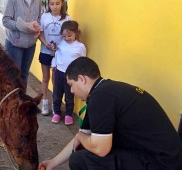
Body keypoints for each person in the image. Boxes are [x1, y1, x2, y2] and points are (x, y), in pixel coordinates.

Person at [39, 57, 182, 170]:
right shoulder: (104, 92)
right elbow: (83, 136)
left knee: (80, 159)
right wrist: (53, 162)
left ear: (82, 79)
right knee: (85, 146)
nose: (71, 91)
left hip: (161, 164)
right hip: (163, 158)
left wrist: (81, 137)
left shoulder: (101, 97)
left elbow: (100, 148)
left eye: (71, 85)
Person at [2, 0, 42, 88]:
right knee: (14, 77)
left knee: (24, 75)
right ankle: (12, 104)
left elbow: (39, 17)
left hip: (30, 45)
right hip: (15, 44)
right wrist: (23, 26)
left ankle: (22, 103)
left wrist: (38, 26)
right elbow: (5, 20)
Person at [38, 0, 71, 116]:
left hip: (59, 54)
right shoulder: (44, 16)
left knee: (56, 80)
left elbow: (70, 35)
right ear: (49, 4)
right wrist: (46, 43)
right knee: (45, 78)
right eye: (52, 4)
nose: (55, 6)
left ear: (62, 3)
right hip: (46, 51)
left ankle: (55, 102)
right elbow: (39, 34)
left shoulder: (67, 18)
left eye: (57, 3)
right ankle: (45, 102)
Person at [50, 20, 86, 125]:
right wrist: (54, 64)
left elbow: (82, 61)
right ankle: (56, 112)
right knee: (57, 94)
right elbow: (56, 55)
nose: (66, 38)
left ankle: (68, 114)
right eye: (64, 36)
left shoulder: (80, 47)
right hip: (59, 73)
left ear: (76, 33)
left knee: (69, 96)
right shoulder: (61, 44)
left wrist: (80, 73)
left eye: (69, 36)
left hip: (71, 76)